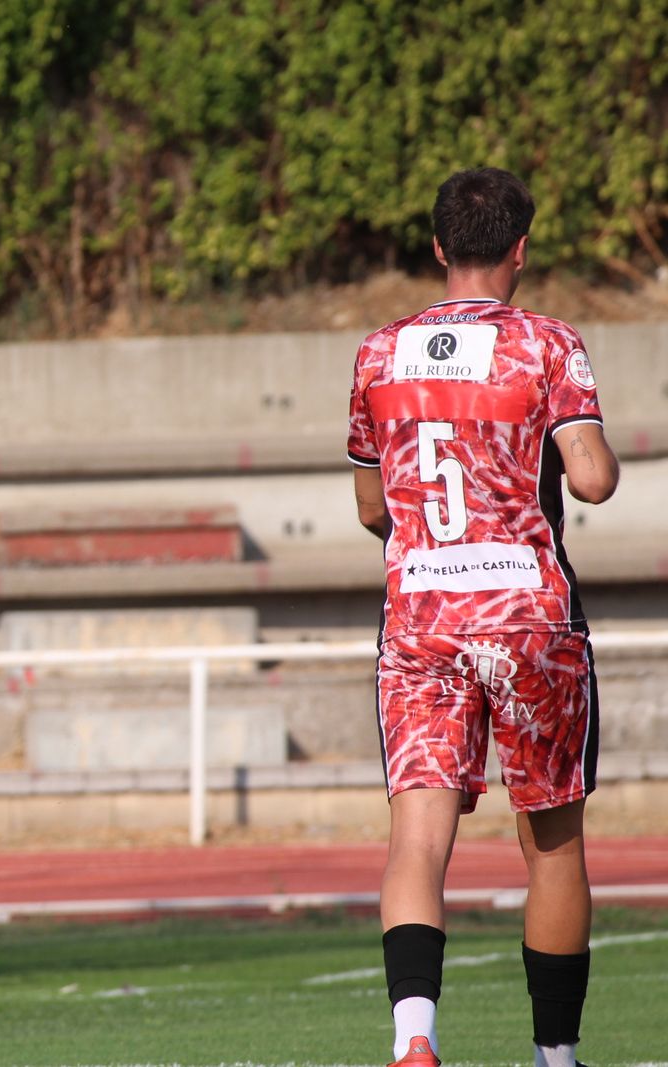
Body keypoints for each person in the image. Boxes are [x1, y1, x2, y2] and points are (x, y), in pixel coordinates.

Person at [347, 167, 620, 1067]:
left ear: (436, 248)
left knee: (418, 839)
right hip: (528, 614)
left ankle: (414, 1039)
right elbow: (590, 478)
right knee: (551, 841)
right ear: (521, 248)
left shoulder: (380, 353)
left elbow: (370, 506)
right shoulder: (548, 345)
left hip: (420, 614)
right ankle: (555, 1056)